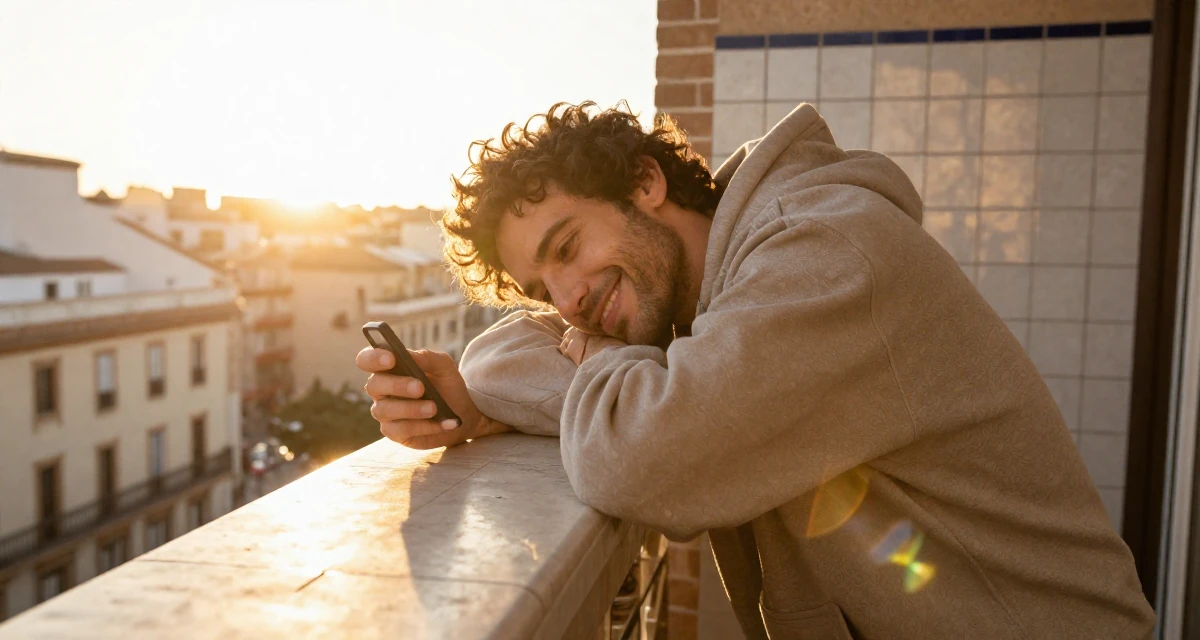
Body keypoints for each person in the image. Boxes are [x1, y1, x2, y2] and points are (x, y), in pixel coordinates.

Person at [355, 101, 1155, 639]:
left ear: (645, 182)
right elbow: (497, 354)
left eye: (567, 247)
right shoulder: (699, 313)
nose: (567, 302)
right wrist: (484, 404)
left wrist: (599, 370)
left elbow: (639, 461)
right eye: (541, 290)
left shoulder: (825, 252)